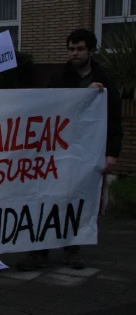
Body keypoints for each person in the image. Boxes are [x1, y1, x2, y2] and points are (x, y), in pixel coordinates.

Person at [17, 29, 122, 271]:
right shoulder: (58, 78)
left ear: (91, 51)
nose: (75, 53)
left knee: (77, 199)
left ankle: (72, 250)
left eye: (80, 49)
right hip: (57, 151)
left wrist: (112, 153)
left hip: (86, 153)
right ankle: (38, 251)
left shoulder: (104, 81)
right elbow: (46, 109)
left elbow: (113, 119)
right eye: (71, 49)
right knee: (47, 199)